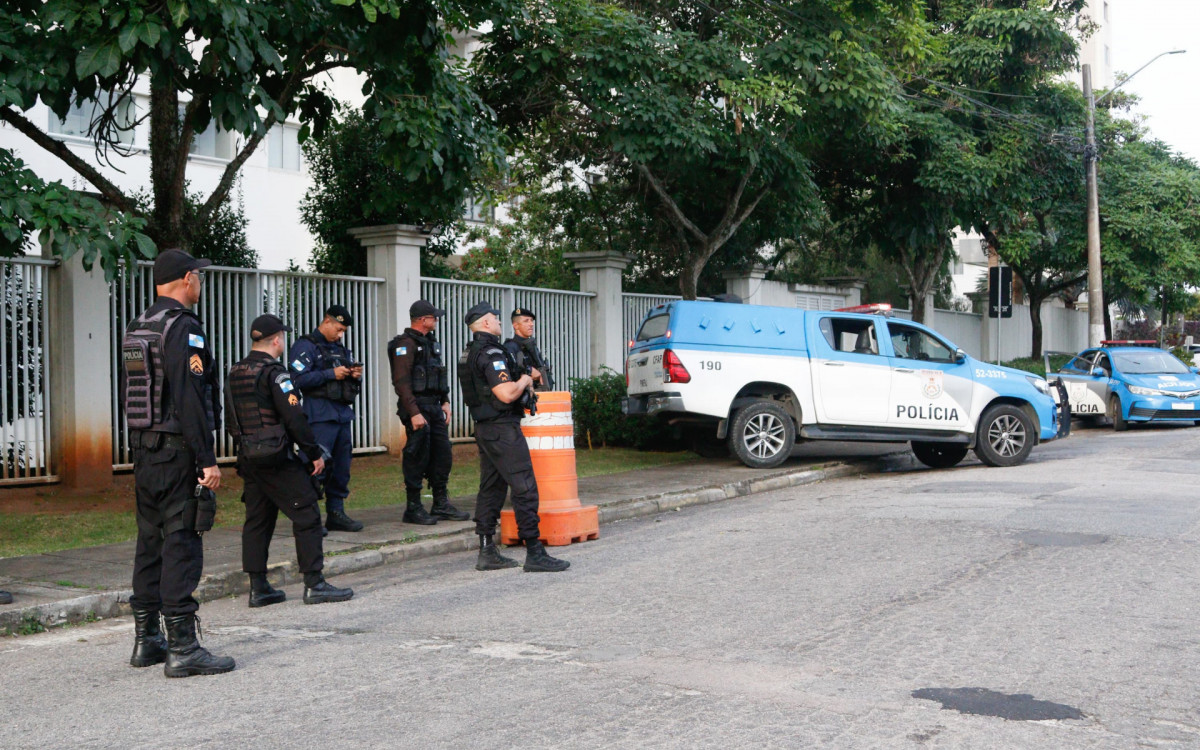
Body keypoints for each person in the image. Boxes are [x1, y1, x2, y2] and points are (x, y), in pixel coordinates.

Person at [120, 247, 234, 678]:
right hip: (177, 452)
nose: (200, 283)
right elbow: (189, 396)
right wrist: (207, 459)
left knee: (149, 542)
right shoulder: (184, 327)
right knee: (181, 541)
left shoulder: (138, 326)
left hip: (145, 450)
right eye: (198, 277)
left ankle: (147, 640)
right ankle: (183, 647)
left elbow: (134, 394)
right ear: (187, 279)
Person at [225, 314, 354, 608]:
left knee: (258, 520)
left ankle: (259, 588)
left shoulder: (235, 372)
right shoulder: (276, 374)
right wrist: (313, 453)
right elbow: (295, 417)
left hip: (249, 456)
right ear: (277, 340)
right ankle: (315, 583)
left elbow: (230, 417)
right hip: (276, 456)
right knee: (307, 513)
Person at [458, 301, 570, 573]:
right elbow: (506, 393)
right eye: (495, 318)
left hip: (486, 428)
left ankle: (487, 551)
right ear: (486, 323)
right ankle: (534, 552)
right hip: (502, 428)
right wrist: (525, 380)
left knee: (492, 487)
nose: (499, 322)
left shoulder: (469, 352)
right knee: (524, 486)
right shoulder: (492, 352)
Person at [387, 300, 469, 525]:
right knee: (417, 455)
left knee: (442, 454)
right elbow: (401, 382)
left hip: (434, 406)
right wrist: (414, 412)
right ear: (423, 320)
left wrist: (445, 401)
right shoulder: (405, 344)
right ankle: (413, 507)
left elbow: (438, 375)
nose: (437, 320)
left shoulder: (430, 343)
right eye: (434, 317)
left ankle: (440, 504)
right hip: (417, 407)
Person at [288, 305, 364, 533]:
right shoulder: (306, 346)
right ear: (327, 321)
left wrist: (354, 376)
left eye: (344, 331)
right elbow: (296, 379)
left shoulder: (341, 349)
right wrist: (330, 374)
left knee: (341, 468)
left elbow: (349, 383)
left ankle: (336, 513)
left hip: (342, 415)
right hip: (319, 416)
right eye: (338, 329)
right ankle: (307, 518)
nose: (340, 335)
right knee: (313, 467)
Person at [504, 307, 554, 392]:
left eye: (531, 321)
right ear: (516, 325)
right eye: (526, 321)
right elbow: (508, 373)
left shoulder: (532, 347)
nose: (531, 324)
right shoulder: (510, 347)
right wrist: (528, 371)